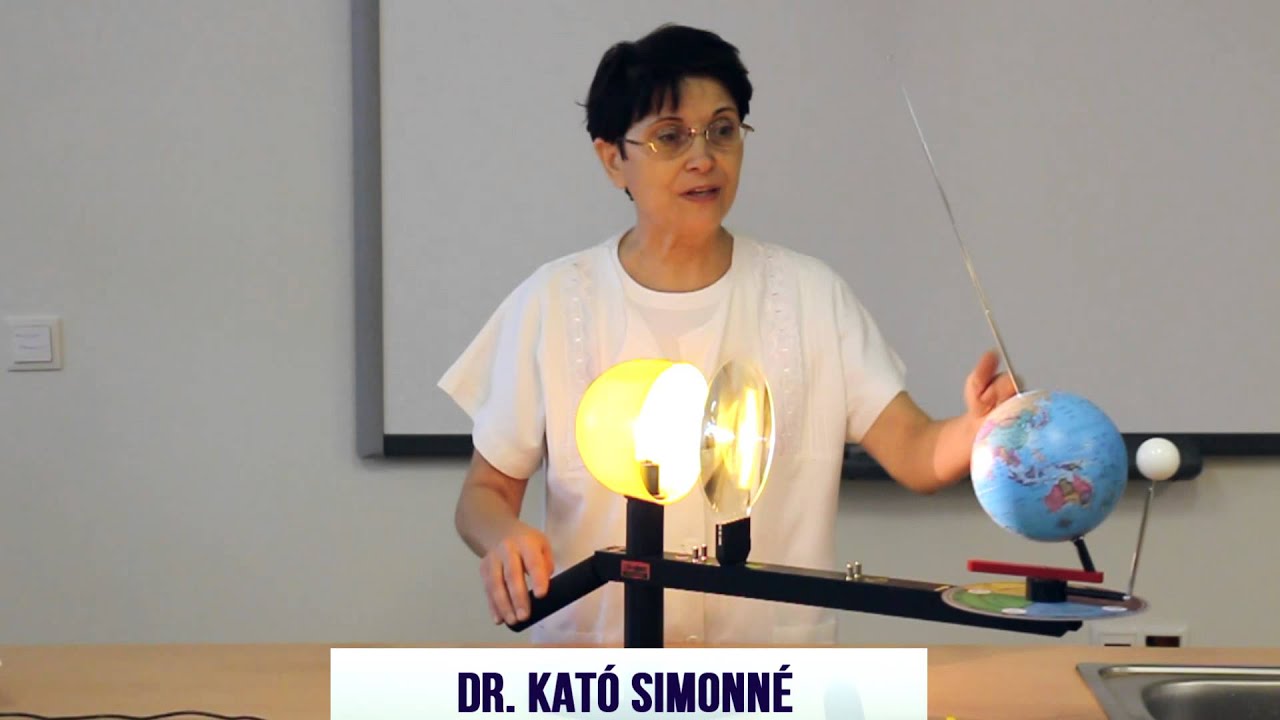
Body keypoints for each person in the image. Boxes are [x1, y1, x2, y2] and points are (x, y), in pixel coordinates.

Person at [440, 23, 1015, 646]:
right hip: (597, 670)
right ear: (613, 159)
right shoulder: (554, 300)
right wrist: (503, 536)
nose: (703, 158)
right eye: (670, 137)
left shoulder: (809, 294)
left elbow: (917, 452)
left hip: (769, 677)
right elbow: (484, 494)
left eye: (722, 130)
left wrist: (979, 428)